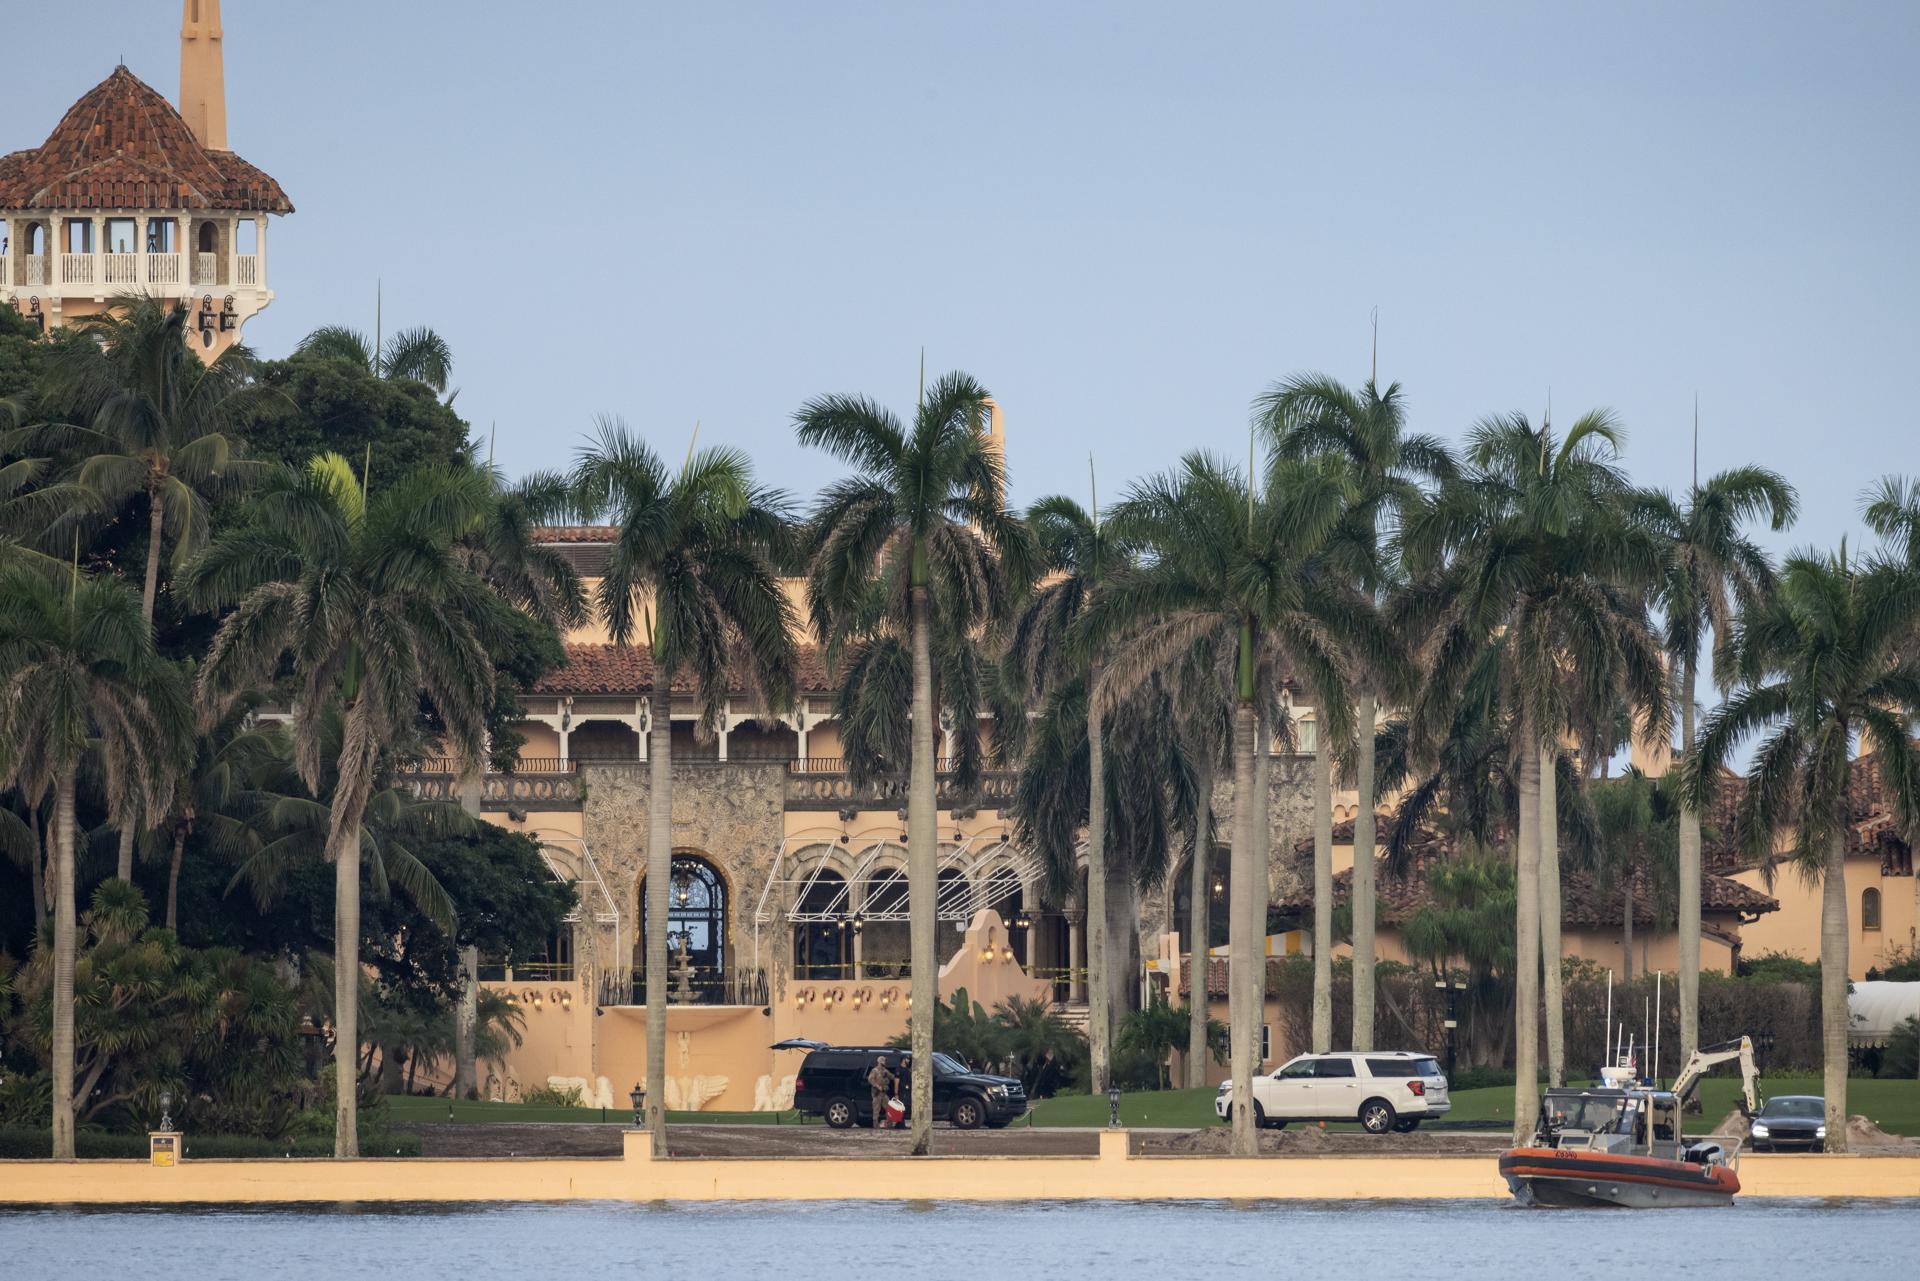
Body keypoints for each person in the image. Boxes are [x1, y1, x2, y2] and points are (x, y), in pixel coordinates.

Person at [866, 1055, 896, 1129]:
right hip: (877, 1092)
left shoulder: (885, 1070)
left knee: (889, 1107)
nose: (884, 1062)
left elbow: (892, 1076)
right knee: (876, 1108)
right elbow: (870, 1079)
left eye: (885, 1061)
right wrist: (877, 1086)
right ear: (879, 1062)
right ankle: (875, 1124)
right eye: (883, 1061)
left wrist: (896, 1076)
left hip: (884, 1092)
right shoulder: (874, 1070)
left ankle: (889, 1123)